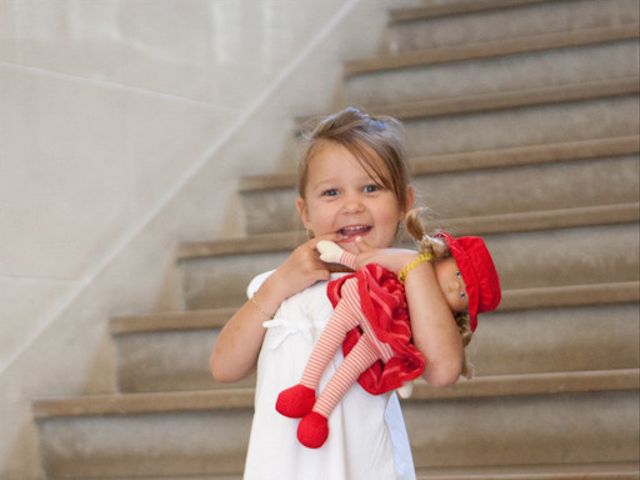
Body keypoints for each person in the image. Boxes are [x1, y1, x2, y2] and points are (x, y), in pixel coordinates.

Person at [210, 107, 492, 479]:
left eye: (371, 188)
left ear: (404, 202)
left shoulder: (406, 289)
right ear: (305, 213)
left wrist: (415, 267)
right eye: (331, 192)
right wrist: (278, 285)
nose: (352, 204)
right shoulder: (279, 287)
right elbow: (224, 367)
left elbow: (443, 370)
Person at [275, 231, 501, 449]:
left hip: (383, 338)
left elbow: (441, 368)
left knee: (353, 365)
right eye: (458, 274)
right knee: (334, 332)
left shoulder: (425, 322)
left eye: (463, 295)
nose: (455, 286)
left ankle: (319, 414)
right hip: (362, 300)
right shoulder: (407, 264)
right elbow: (367, 264)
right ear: (442, 257)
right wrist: (339, 256)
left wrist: (402, 372)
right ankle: (305, 386)